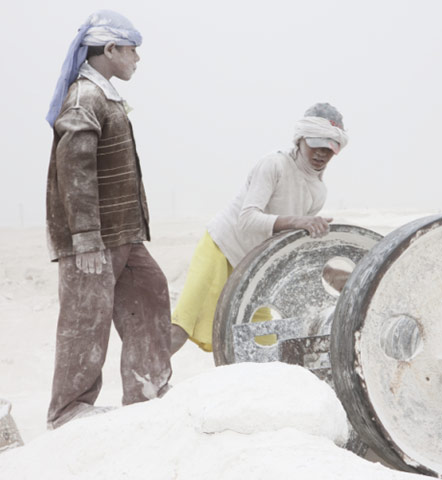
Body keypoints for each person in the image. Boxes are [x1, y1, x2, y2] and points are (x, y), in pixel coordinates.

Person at [44, 10, 171, 429]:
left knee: (151, 294)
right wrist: (84, 235)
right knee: (86, 321)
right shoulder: (85, 97)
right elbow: (74, 166)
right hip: (94, 239)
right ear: (111, 49)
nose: (137, 58)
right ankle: (68, 412)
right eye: (132, 49)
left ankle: (148, 394)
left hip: (124, 234)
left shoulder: (105, 95)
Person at [170, 103, 349, 355]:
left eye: (328, 150)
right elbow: (248, 219)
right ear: (300, 140)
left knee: (263, 343)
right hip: (223, 247)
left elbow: (294, 243)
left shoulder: (318, 191)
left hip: (254, 267)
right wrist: (298, 221)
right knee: (182, 328)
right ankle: (146, 388)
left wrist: (330, 273)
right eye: (315, 146)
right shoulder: (274, 165)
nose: (321, 154)